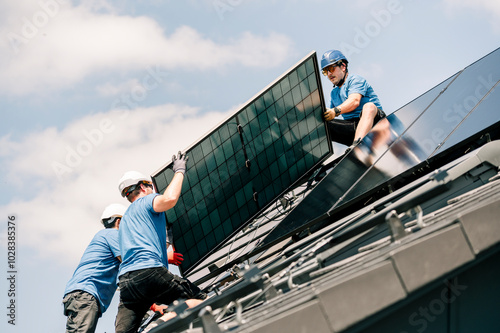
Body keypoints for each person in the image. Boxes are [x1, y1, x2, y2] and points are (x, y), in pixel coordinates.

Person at [115, 152, 207, 333]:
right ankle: (161, 325)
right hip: (149, 273)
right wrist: (179, 171)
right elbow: (169, 199)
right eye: (151, 187)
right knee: (200, 299)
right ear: (143, 187)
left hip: (127, 282)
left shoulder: (125, 220)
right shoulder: (146, 201)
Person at [62, 203, 127, 333]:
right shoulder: (112, 234)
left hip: (80, 294)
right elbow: (131, 261)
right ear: (119, 222)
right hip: (85, 294)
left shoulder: (103, 236)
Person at [321, 49, 386, 148]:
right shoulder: (334, 93)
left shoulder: (355, 80)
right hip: (354, 127)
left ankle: (357, 146)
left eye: (331, 68)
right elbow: (329, 113)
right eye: (326, 71)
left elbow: (354, 101)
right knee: (323, 126)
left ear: (343, 66)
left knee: (369, 107)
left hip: (375, 123)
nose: (329, 74)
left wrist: (335, 111)